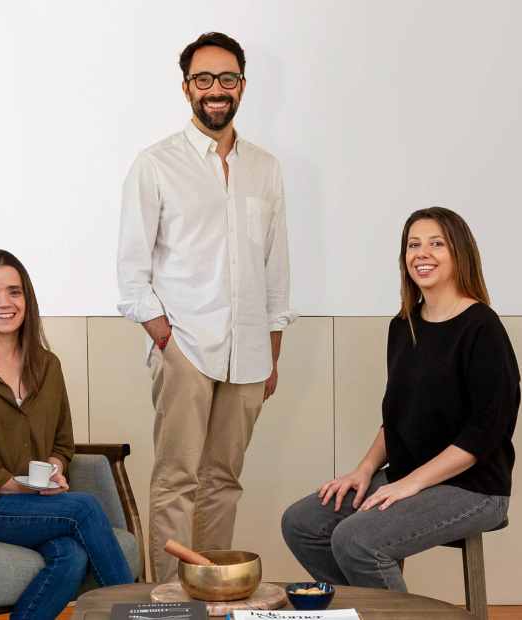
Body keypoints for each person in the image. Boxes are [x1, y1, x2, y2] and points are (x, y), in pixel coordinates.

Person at [116, 32, 299, 581]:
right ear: (186, 88)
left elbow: (275, 267)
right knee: (177, 480)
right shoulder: (155, 165)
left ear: (242, 85)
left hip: (250, 353)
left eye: (227, 78)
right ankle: (170, 601)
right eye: (203, 79)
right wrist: (166, 341)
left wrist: (271, 352)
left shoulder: (265, 167)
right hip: (186, 348)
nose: (215, 89)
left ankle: (211, 592)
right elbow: (132, 271)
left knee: (224, 481)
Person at [281, 207, 518, 592]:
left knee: (356, 540)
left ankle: (388, 614)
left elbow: (483, 433)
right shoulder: (403, 325)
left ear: (459, 253)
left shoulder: (482, 327)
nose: (422, 253)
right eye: (413, 244)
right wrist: (363, 471)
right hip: (409, 472)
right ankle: (367, 610)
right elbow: (398, 416)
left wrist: (411, 483)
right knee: (302, 523)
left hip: (475, 487)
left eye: (436, 243)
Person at [0, 249, 133, 620]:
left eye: (14, 291)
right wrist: (20, 487)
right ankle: (136, 615)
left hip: (32, 505)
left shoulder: (47, 364)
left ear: (27, 299)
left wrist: (54, 469)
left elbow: (62, 442)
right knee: (84, 507)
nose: (4, 303)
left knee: (70, 555)